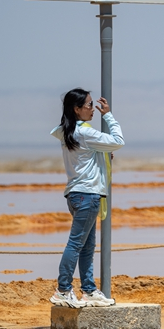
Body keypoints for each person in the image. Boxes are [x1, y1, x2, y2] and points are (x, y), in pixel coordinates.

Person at [49, 88, 124, 308]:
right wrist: (108, 116)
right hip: (87, 194)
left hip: (77, 194)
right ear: (77, 109)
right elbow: (118, 140)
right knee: (76, 244)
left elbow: (87, 158)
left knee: (86, 246)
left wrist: (103, 154)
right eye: (90, 105)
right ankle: (63, 290)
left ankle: (89, 290)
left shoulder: (69, 132)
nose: (94, 109)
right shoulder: (85, 133)